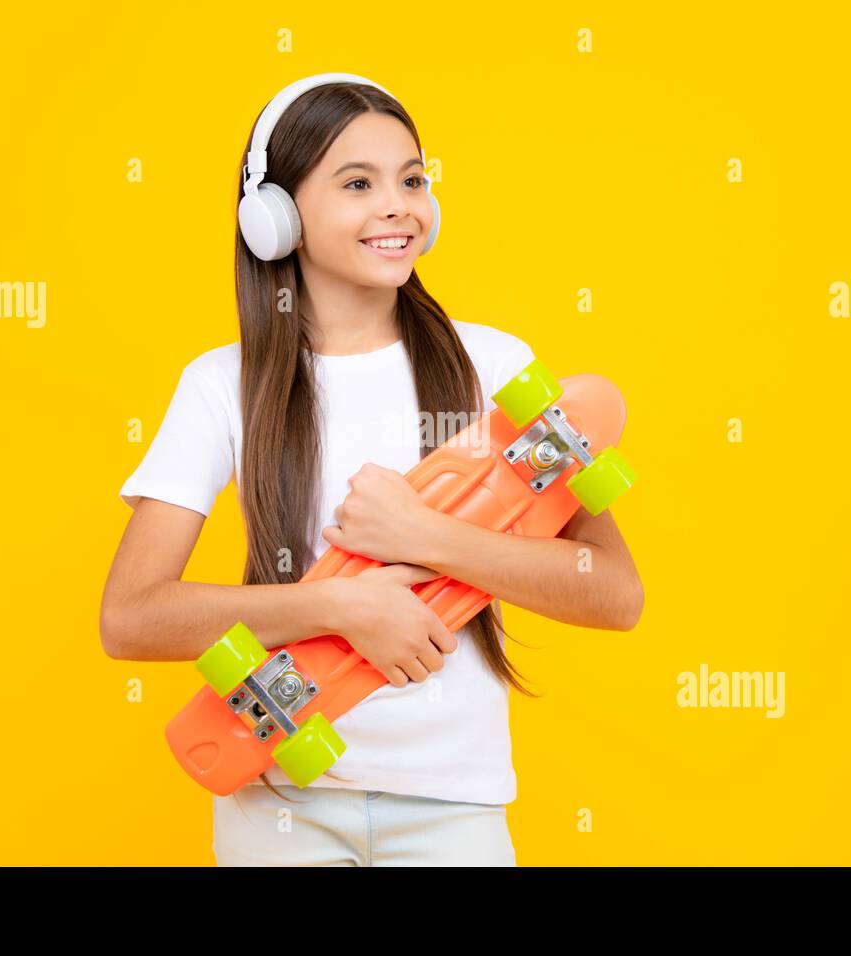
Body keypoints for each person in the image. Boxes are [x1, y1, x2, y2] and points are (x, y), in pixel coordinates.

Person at [100, 73, 643, 866]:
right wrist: (337, 608)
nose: (398, 205)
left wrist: (426, 536)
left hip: (454, 803)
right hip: (278, 801)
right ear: (275, 217)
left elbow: (613, 592)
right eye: (358, 183)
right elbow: (132, 617)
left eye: (413, 179)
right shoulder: (224, 384)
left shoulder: (497, 368)